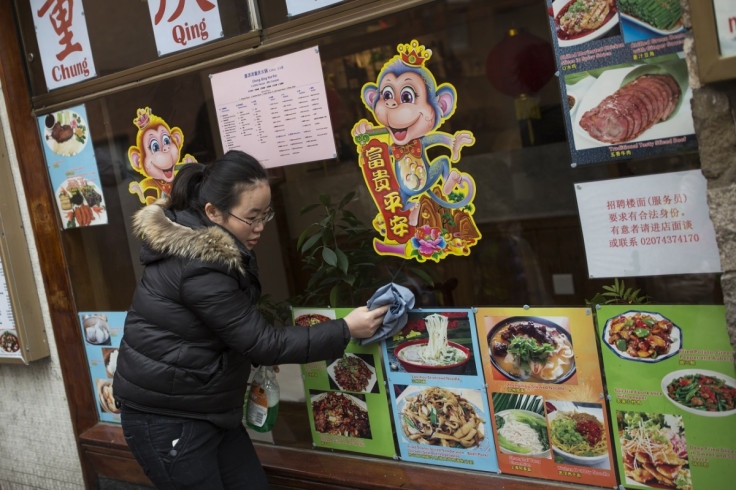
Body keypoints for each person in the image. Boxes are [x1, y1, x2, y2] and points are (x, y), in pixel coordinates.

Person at [113, 150, 388, 489]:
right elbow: (262, 343)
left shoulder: (209, 250)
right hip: (167, 419)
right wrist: (347, 328)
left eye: (265, 214)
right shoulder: (199, 264)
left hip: (206, 407)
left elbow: (229, 333)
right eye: (252, 217)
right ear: (213, 212)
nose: (260, 228)